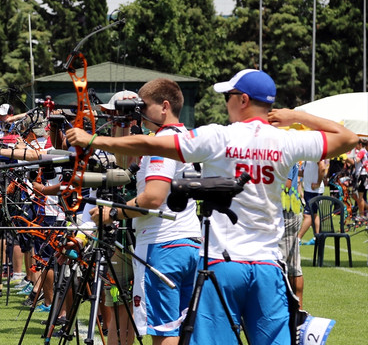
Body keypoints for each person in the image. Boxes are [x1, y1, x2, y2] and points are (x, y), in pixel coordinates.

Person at [65, 69, 358, 344]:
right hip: (268, 265)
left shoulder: (219, 136)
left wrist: (93, 139)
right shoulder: (286, 141)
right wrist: (296, 115)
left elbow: (152, 144)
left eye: (228, 95)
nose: (226, 101)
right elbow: (348, 138)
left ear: (243, 100)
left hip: (222, 264)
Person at [91, 79, 202, 345]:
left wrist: (112, 214)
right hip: (190, 243)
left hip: (161, 245)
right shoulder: (185, 137)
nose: (140, 112)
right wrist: (122, 125)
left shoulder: (161, 142)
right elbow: (124, 165)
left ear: (164, 107)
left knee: (164, 332)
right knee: (185, 329)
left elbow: (152, 198)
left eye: (144, 106)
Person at [279, 163, 304, 308]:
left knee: (278, 265)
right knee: (294, 266)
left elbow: (286, 185)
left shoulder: (284, 154)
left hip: (287, 213)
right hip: (290, 211)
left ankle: (286, 309)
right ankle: (298, 310)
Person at [297, 160, 326, 245]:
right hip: (308, 189)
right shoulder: (308, 155)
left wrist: (318, 183)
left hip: (315, 190)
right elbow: (305, 172)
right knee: (314, 214)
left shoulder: (316, 153)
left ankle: (298, 238)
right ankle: (317, 238)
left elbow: (322, 168)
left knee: (307, 215)